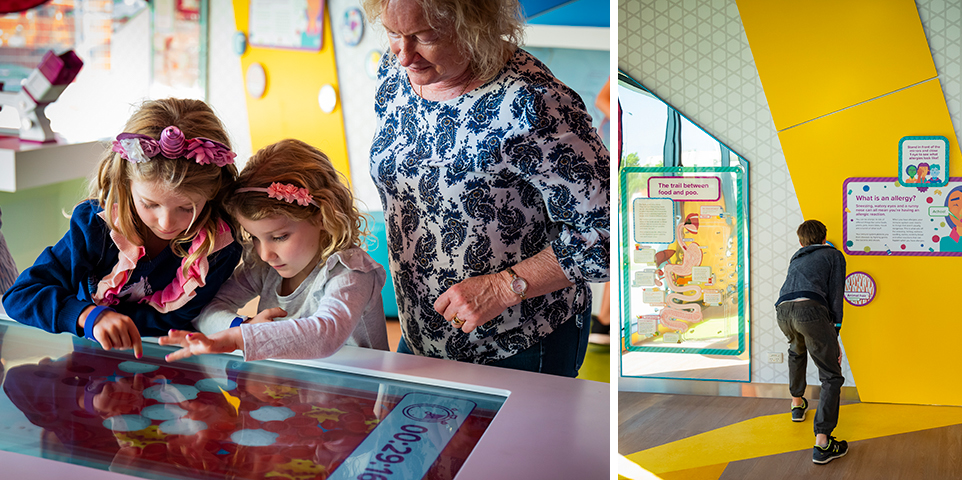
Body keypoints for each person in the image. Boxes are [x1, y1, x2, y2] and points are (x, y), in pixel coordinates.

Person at [366, 0, 610, 376]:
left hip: (516, 343)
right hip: (420, 332)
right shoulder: (395, 75)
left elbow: (609, 234)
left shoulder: (534, 104)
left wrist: (501, 288)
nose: (404, 55)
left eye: (424, 36)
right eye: (393, 34)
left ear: (474, 24)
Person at [3, 98, 242, 358]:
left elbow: (181, 320)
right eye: (150, 204)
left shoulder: (217, 249)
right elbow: (21, 296)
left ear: (213, 192)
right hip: (89, 372)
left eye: (187, 208)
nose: (166, 223)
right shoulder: (96, 227)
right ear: (126, 182)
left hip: (170, 371)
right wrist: (88, 315)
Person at [159, 139, 388, 361]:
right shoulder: (264, 268)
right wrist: (242, 327)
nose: (265, 254)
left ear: (322, 218)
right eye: (255, 238)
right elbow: (206, 308)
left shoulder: (351, 272)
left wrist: (241, 338)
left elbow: (326, 334)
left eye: (279, 237)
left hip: (362, 393)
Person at [778, 220, 849, 464]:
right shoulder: (833, 255)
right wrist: (835, 330)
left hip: (784, 310)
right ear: (825, 237)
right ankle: (823, 443)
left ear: (800, 241)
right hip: (810, 310)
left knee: (796, 352)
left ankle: (797, 405)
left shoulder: (797, 257)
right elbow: (836, 292)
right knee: (831, 375)